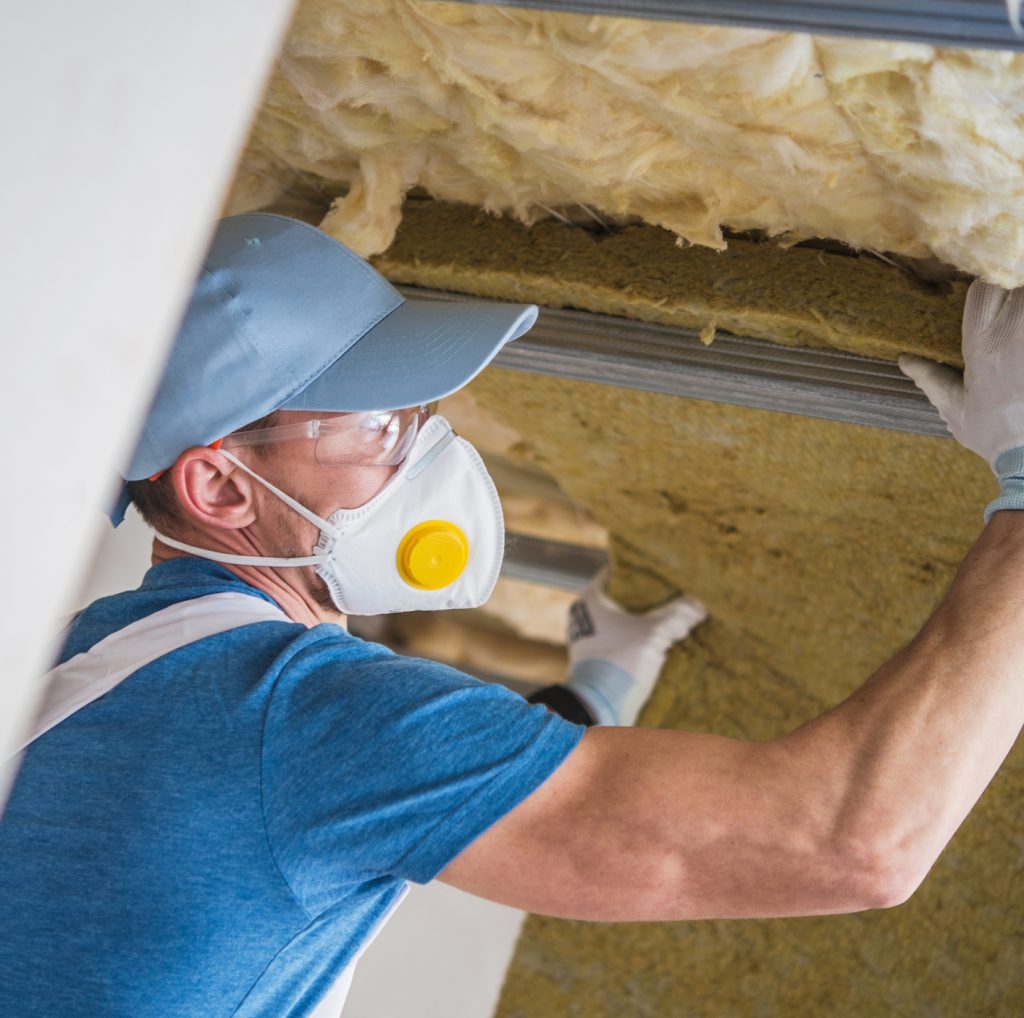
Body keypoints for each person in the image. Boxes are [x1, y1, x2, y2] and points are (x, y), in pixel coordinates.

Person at [1, 213, 1022, 1017]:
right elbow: (848, 840)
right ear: (220, 489)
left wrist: (591, 693)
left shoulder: (90, 665)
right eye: (381, 425)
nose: (431, 450)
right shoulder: (297, 715)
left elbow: (349, 810)